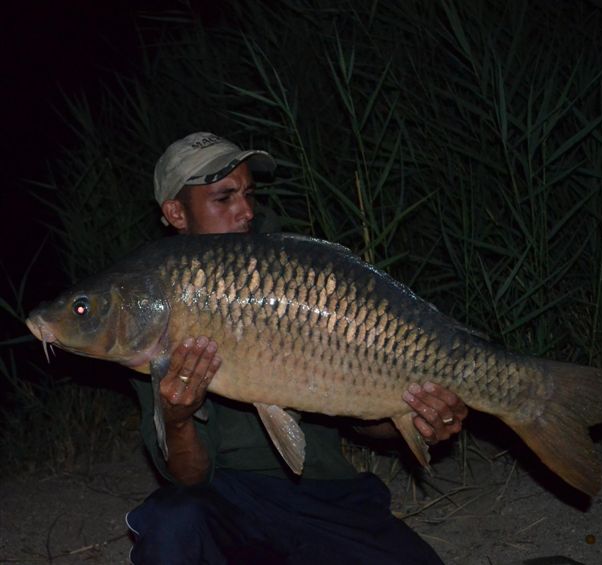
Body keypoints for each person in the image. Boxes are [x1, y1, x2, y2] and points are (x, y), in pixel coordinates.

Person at [126, 132, 468, 564]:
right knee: (175, 522)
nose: (246, 210)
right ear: (176, 212)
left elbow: (363, 421)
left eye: (248, 194)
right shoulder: (157, 311)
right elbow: (189, 478)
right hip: (229, 500)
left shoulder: (300, 273)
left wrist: (418, 417)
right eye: (224, 197)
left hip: (327, 496)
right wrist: (175, 420)